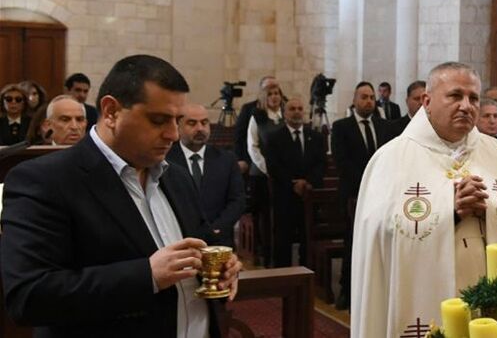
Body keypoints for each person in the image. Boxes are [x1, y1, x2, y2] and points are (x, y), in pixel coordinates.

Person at [0, 54, 241, 337]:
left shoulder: (176, 176)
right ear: (111, 111)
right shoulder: (44, 180)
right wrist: (147, 275)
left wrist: (224, 266)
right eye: (159, 120)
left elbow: (202, 242)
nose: (174, 134)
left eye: (177, 120)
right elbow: (29, 297)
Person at [351, 62, 497, 337]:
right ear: (427, 101)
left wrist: (488, 210)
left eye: (473, 98)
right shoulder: (392, 157)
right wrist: (450, 209)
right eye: (455, 95)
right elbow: (377, 232)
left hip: (491, 295)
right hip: (425, 296)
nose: (466, 106)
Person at [330, 81, 394, 309]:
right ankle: (346, 291)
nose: (368, 101)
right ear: (354, 100)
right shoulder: (341, 127)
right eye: (364, 97)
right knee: (352, 243)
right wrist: (368, 184)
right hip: (354, 194)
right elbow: (342, 162)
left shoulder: (385, 127)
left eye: (371, 97)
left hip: (382, 196)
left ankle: (377, 293)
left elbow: (390, 159)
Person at [166, 103, 245, 247]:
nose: (200, 128)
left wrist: (216, 229)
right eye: (192, 123)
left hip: (218, 241)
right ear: (178, 127)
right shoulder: (165, 160)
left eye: (204, 123)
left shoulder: (226, 159)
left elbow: (237, 200)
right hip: (178, 241)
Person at [262, 97, 326, 267]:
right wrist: (293, 183)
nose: (297, 112)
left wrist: (308, 182)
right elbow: (273, 166)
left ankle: (307, 273)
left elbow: (321, 164)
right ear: (284, 113)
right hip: (284, 196)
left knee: (307, 239)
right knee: (283, 241)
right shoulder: (274, 138)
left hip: (309, 196)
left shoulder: (316, 137)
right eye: (292, 109)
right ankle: (283, 277)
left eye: (299, 108)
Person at [237, 77, 284, 266]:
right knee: (263, 215)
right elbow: (252, 145)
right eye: (270, 94)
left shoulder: (285, 114)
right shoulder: (257, 115)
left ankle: (278, 252)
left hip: (281, 174)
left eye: (277, 93)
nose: (274, 97)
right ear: (264, 97)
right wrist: (267, 168)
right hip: (261, 173)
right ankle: (264, 251)